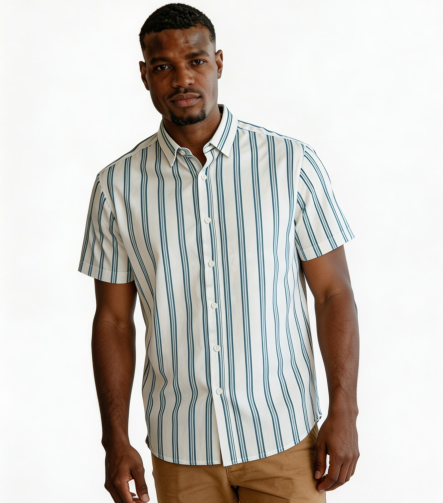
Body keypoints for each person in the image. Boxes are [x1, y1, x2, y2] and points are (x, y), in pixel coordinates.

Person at [77, 3, 360, 502]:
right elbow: (114, 321)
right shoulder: (116, 187)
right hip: (180, 447)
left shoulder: (290, 164)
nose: (182, 79)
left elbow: (333, 294)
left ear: (219, 63)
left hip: (284, 438)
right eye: (163, 66)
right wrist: (114, 439)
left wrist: (345, 412)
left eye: (196, 61)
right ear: (145, 75)